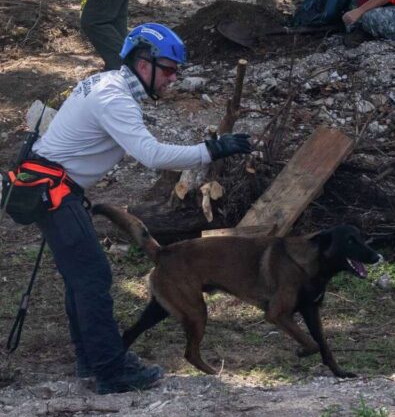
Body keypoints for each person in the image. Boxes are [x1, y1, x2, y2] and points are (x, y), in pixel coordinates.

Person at [28, 23, 252, 394]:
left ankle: (92, 361)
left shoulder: (108, 84)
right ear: (142, 62)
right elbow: (150, 155)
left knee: (83, 280)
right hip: (54, 193)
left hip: (55, 190)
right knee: (93, 279)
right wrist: (210, 150)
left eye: (176, 71)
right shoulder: (113, 97)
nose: (172, 79)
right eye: (167, 69)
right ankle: (111, 370)